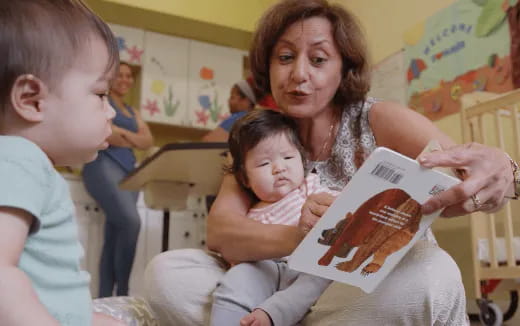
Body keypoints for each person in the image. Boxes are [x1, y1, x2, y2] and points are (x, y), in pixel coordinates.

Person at [144, 0, 517, 325]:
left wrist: (503, 169)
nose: (299, 74)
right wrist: (306, 237)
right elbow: (223, 234)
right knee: (169, 273)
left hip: (356, 293)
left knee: (431, 274)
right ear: (267, 67)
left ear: (344, 69)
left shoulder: (379, 119)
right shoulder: (256, 133)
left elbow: (461, 177)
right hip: (275, 283)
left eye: (319, 59)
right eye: (285, 57)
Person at [0, 0, 126, 325]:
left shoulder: (27, 163)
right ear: (32, 99)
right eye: (100, 94)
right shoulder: (20, 159)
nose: (110, 111)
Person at [210, 109, 332, 326]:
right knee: (237, 278)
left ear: (302, 160)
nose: (279, 168)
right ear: (244, 178)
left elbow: (343, 209)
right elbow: (238, 250)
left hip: (311, 265)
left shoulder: (311, 187)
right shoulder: (250, 215)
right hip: (270, 268)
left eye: (287, 157)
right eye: (264, 164)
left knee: (321, 274)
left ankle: (273, 314)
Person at [82, 61, 154, 297]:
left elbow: (147, 142)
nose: (125, 79)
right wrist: (130, 136)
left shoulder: (133, 111)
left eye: (129, 76)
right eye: (120, 75)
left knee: (114, 233)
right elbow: (106, 133)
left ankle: (103, 299)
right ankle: (123, 292)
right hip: (102, 165)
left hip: (128, 171)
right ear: (111, 79)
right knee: (131, 222)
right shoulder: (102, 100)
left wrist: (122, 134)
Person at [202, 78, 257, 142]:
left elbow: (209, 141)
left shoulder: (239, 117)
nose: (228, 101)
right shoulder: (256, 122)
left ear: (246, 101)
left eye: (232, 97)